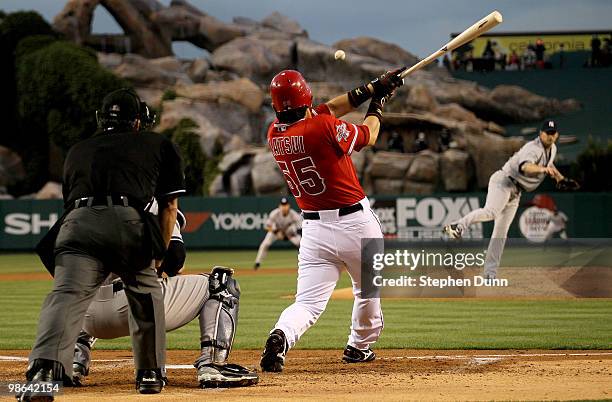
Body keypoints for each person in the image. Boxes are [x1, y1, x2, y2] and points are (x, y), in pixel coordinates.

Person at [20, 88, 185, 400]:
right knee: (145, 290)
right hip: (126, 222)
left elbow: (70, 207)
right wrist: (158, 254)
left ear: (101, 118)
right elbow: (169, 207)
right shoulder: (159, 144)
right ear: (138, 121)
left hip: (77, 225)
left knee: (65, 296)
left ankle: (43, 372)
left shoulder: (78, 149)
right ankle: (149, 374)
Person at [259, 68, 403, 372]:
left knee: (308, 303)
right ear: (306, 96)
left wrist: (372, 87)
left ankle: (281, 336)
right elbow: (369, 135)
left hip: (314, 231)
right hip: (355, 224)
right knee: (367, 291)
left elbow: (331, 108)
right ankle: (358, 347)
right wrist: (378, 103)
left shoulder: (275, 133)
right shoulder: (321, 126)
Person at [71, 211, 258, 389]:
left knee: (77, 286)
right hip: (137, 307)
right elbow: (176, 258)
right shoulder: (157, 205)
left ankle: (73, 361)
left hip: (86, 316)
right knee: (221, 283)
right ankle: (213, 365)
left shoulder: (89, 207)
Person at [444, 119, 565, 279]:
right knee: (491, 212)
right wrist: (542, 169)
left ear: (556, 135)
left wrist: (560, 177)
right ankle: (457, 226)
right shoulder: (533, 148)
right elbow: (525, 166)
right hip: (504, 181)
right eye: (547, 133)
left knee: (501, 233)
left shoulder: (553, 149)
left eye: (553, 133)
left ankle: (489, 274)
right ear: (540, 133)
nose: (550, 136)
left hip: (516, 191)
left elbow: (549, 164)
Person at [254, 197, 302, 270]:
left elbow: (300, 227)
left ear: (289, 206)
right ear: (279, 206)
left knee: (300, 243)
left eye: (285, 205)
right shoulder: (275, 213)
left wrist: (292, 236)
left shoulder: (293, 214)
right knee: (265, 244)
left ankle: (302, 262)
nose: (284, 207)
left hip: (289, 232)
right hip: (276, 232)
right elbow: (267, 227)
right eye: (282, 205)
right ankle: (257, 262)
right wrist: (276, 232)